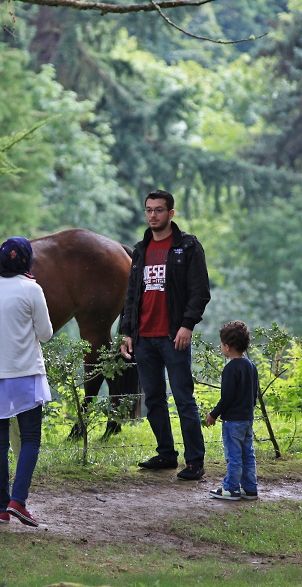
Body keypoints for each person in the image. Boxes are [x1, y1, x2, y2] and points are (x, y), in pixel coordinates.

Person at [120, 189, 211, 481]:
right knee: (154, 399)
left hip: (174, 336)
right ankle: (166, 454)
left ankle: (194, 462)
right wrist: (127, 331)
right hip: (144, 338)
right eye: (148, 210)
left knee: (183, 399)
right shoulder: (140, 249)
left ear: (170, 213)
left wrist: (187, 325)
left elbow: (200, 292)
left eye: (159, 210)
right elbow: (132, 295)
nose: (153, 215)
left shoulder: (188, 246)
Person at [0, 237, 54, 526]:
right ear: (27, 260)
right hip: (25, 375)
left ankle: (3, 507)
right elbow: (45, 334)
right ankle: (19, 500)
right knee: (30, 439)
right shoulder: (31, 289)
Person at [205, 320, 259, 501]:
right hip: (247, 419)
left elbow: (227, 398)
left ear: (227, 346)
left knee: (234, 456)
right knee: (247, 454)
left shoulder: (230, 369)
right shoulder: (251, 366)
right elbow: (254, 394)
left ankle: (231, 488)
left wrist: (213, 414)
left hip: (233, 422)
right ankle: (250, 488)